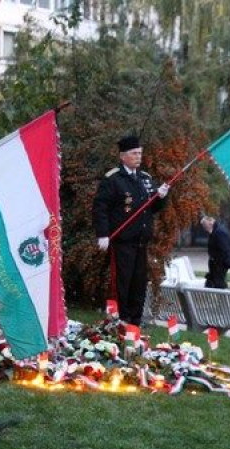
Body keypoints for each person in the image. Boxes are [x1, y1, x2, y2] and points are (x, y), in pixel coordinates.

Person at [92, 134, 169, 326]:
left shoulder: (145, 179)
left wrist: (161, 197)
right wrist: (103, 234)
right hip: (122, 241)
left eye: (140, 153)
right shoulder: (113, 179)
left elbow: (153, 208)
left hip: (141, 240)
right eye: (134, 153)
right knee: (122, 282)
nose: (138, 157)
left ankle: (135, 318)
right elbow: (100, 207)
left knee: (139, 282)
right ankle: (121, 318)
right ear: (123, 156)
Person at [200, 216, 230, 289]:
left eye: (205, 225)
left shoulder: (219, 232)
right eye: (203, 226)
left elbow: (224, 249)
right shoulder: (214, 231)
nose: (204, 228)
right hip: (216, 263)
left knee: (219, 282)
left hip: (221, 263)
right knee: (211, 281)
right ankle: (214, 297)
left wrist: (216, 260)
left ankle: (222, 298)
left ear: (210, 222)